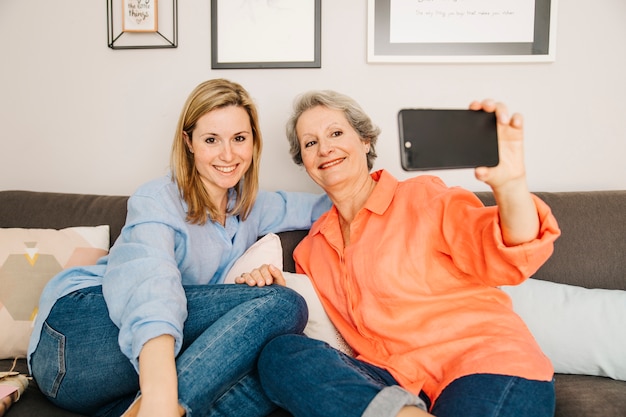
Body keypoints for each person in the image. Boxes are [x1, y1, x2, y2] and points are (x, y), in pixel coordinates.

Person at [240, 90, 561, 417]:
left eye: (336, 133)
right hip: (391, 382)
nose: (325, 148)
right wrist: (275, 291)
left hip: (483, 362)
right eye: (310, 143)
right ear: (304, 162)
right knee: (281, 353)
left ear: (365, 141)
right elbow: (316, 323)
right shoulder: (312, 249)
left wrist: (511, 185)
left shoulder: (423, 197)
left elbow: (508, 250)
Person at [27, 79, 331, 417]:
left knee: (268, 373)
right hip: (74, 336)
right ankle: (160, 408)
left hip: (111, 387)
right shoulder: (158, 199)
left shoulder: (253, 207)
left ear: (254, 142)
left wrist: (393, 196)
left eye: (239, 139)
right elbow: (151, 289)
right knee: (284, 303)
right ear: (188, 142)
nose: (228, 155)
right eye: (211, 140)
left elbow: (332, 205)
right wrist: (160, 398)